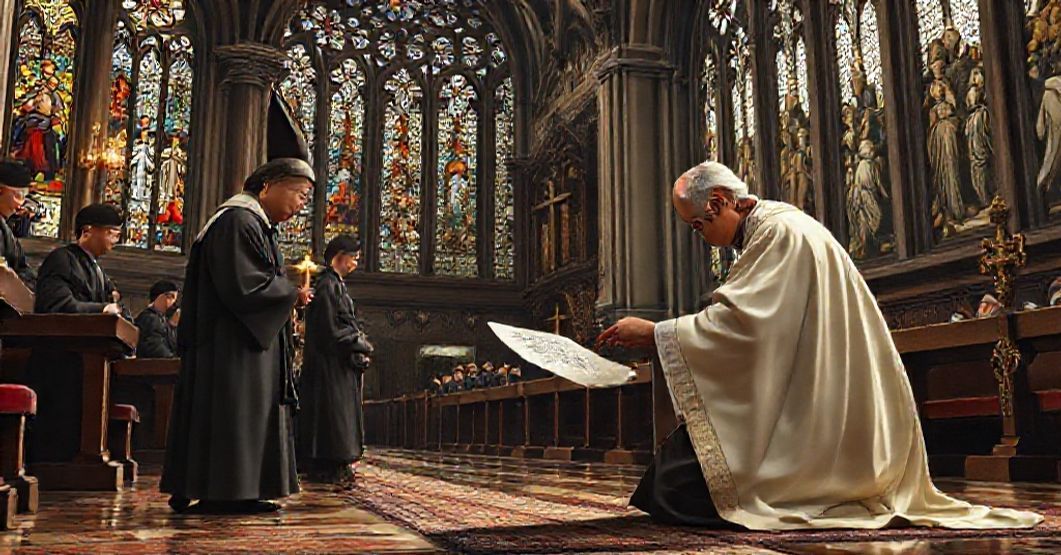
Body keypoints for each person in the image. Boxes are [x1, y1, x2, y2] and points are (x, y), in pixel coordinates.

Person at [597, 161, 1041, 531]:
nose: (700, 236)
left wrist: (656, 334)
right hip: (810, 397)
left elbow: (744, 328)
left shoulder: (779, 234)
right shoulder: (771, 228)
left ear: (718, 203)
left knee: (676, 489)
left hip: (815, 421)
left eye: (698, 226)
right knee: (670, 483)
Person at [161, 158, 315, 514]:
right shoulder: (237, 220)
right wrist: (290, 294)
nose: (301, 205)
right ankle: (223, 492)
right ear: (267, 186)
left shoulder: (252, 223)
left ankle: (238, 490)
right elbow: (244, 284)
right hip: (230, 345)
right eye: (300, 194)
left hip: (238, 341)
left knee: (242, 413)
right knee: (234, 412)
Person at [27, 203, 126, 463]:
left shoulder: (97, 270)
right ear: (88, 231)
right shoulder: (62, 259)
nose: (115, 240)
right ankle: (60, 465)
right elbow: (56, 305)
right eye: (112, 233)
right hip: (60, 359)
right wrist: (103, 308)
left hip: (88, 359)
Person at [297, 234, 373, 484]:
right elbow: (330, 330)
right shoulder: (328, 286)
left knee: (339, 414)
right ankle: (329, 462)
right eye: (354, 259)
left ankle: (336, 461)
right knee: (332, 415)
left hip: (338, 364)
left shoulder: (334, 284)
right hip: (329, 366)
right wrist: (357, 342)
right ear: (340, 257)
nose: (355, 264)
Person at [0, 160, 36, 289]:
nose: (20, 204)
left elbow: (20, 266)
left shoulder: (6, 225)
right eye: (18, 196)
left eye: (24, 197)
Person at [135, 280, 180, 358]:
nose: (174, 303)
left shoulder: (162, 320)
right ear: (160, 297)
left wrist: (172, 326)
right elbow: (155, 348)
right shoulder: (150, 318)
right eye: (171, 297)